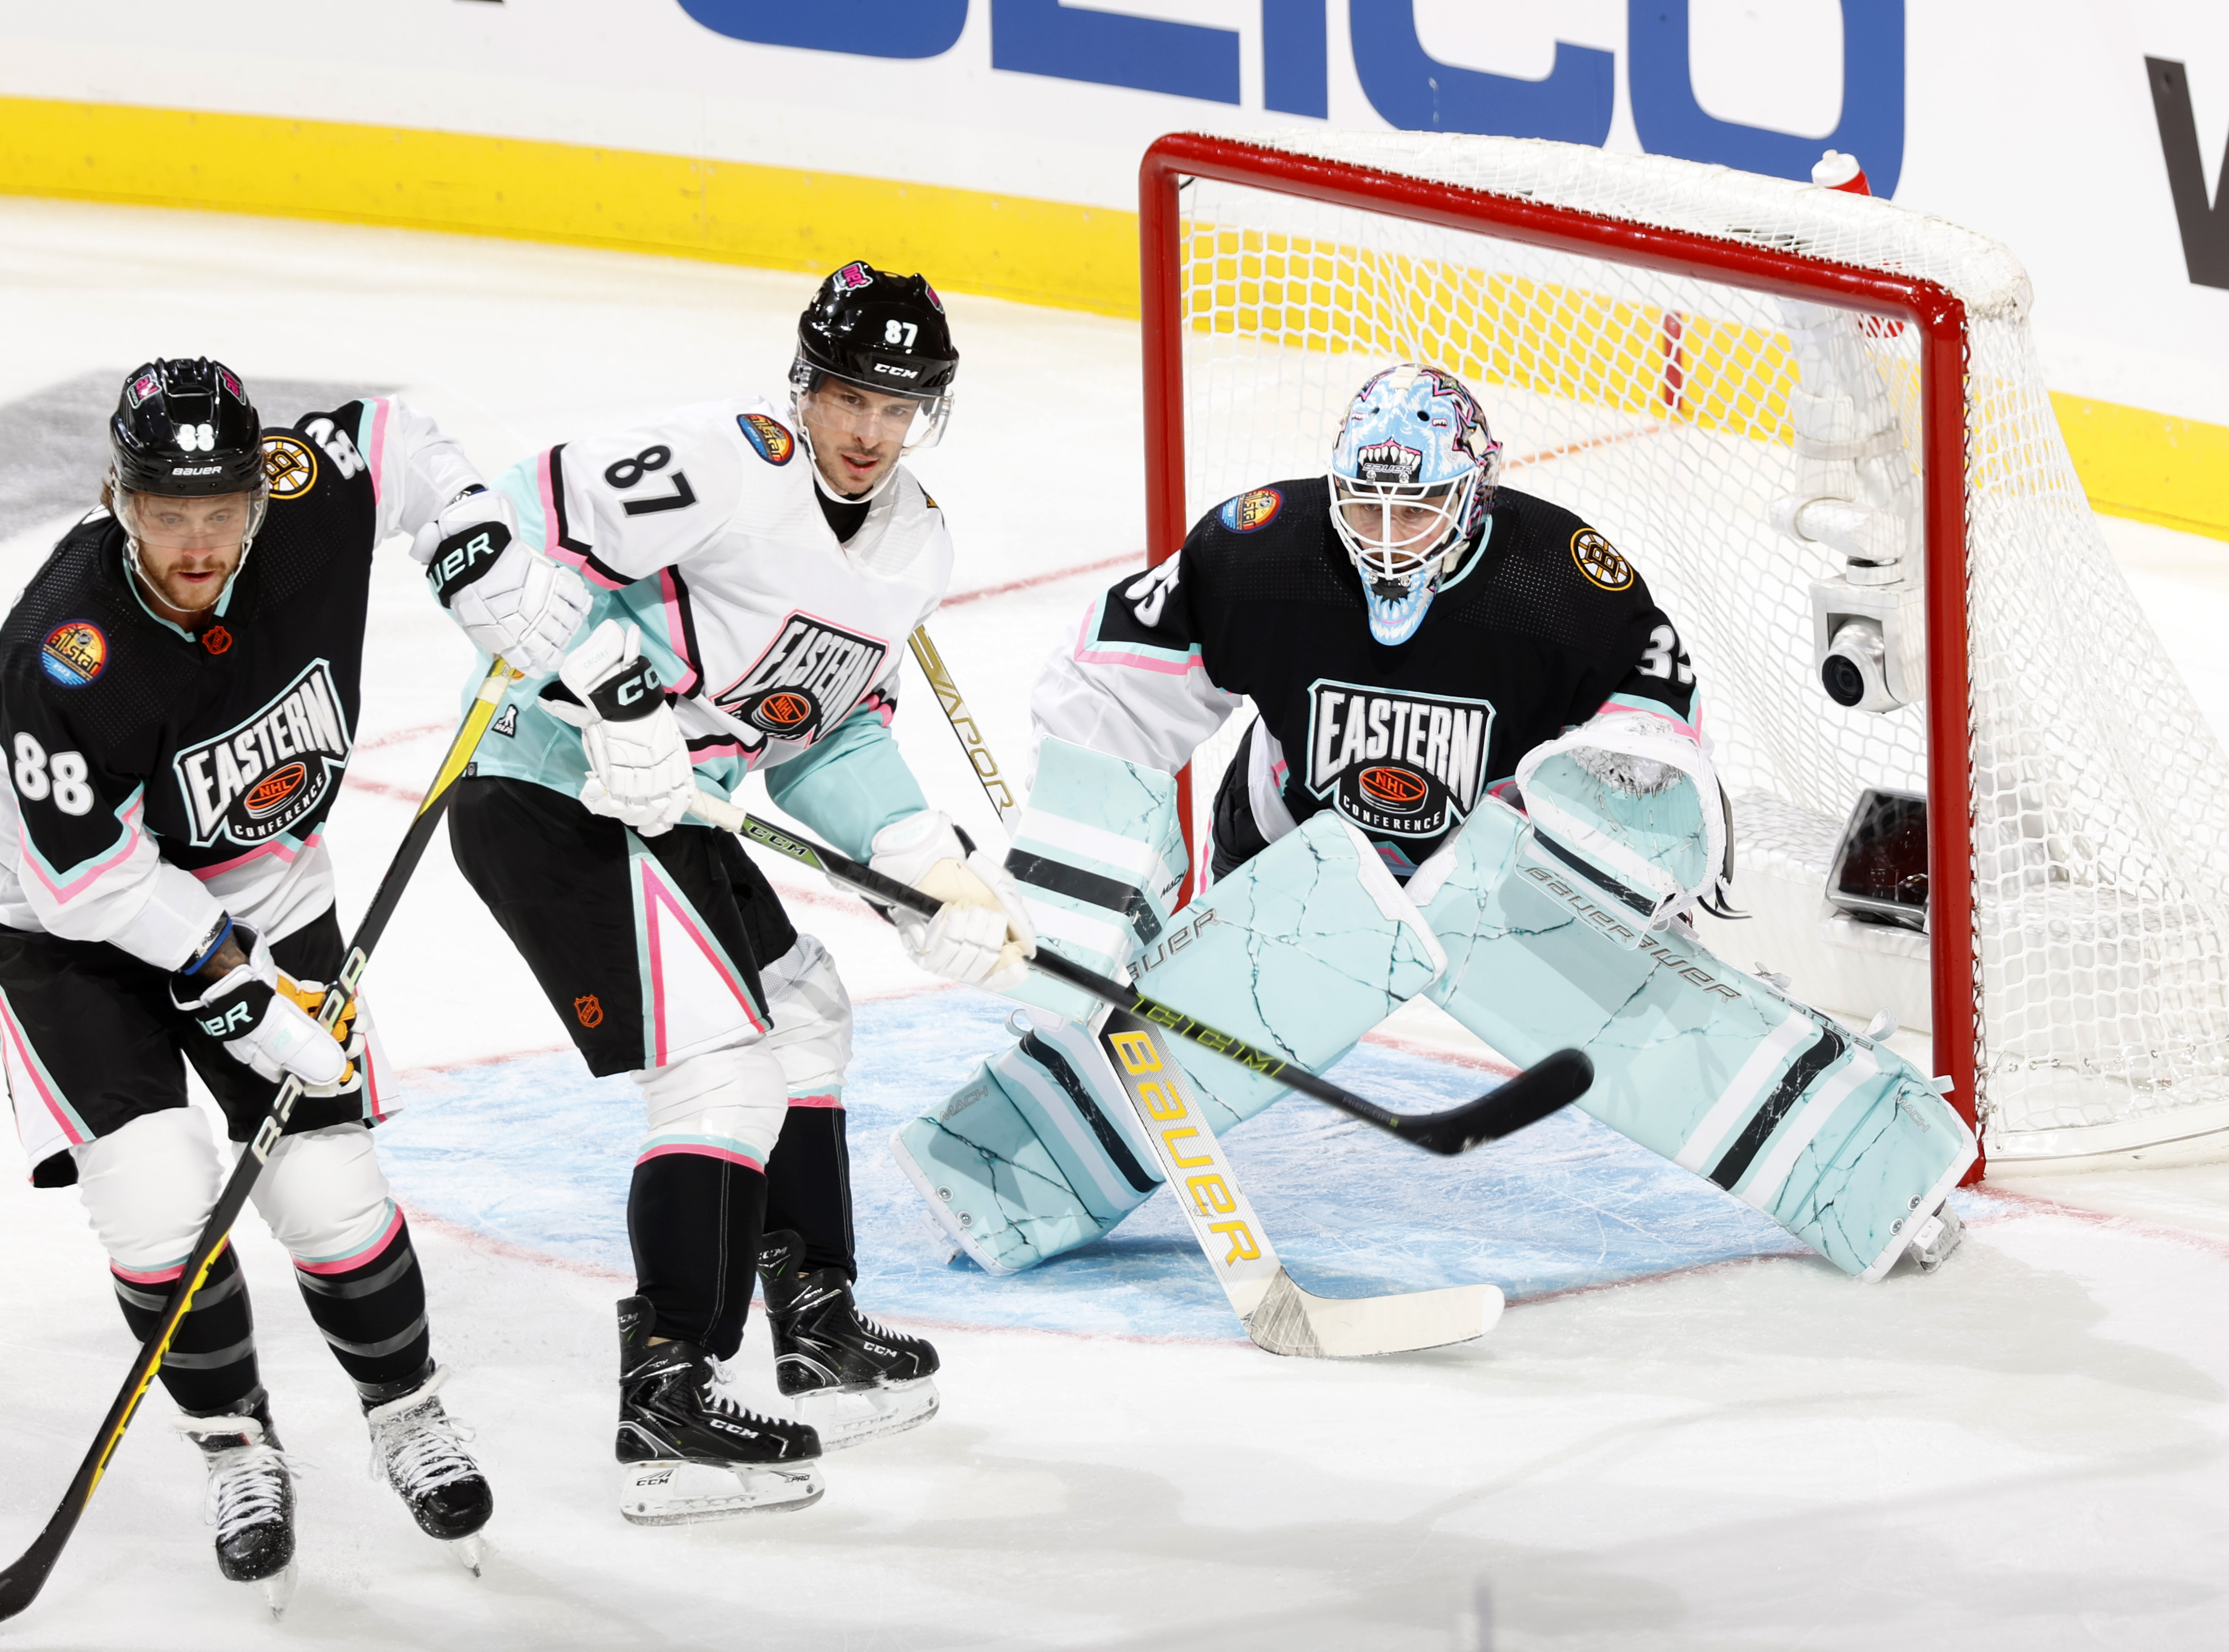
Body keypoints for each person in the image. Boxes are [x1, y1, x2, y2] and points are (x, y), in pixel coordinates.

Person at [894, 362, 1976, 1290]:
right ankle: (1001, 1170)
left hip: (1486, 868)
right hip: (1286, 849)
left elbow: (1655, 749)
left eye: (1414, 513)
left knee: (1639, 1005)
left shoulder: (1562, 586)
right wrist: (1087, 907)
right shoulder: (1258, 552)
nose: (1384, 540)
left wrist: (1597, 885)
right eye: (1363, 512)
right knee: (1172, 1015)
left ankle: (1869, 1163)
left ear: (1475, 494)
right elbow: (1112, 696)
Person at [426, 261, 1034, 1525]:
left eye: (900, 405)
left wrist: (924, 864)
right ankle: (669, 1388)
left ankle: (811, 1319)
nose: (870, 432)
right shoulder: (720, 462)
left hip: (680, 814)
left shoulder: (914, 539)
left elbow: (828, 731)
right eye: (851, 397)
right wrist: (605, 692)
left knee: (805, 1013)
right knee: (718, 1070)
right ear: (805, 384)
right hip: (545, 792)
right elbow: (502, 544)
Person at [0, 360, 510, 1606]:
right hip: (66, 922)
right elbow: (82, 877)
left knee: (328, 1188)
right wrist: (230, 985)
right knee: (158, 1204)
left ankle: (407, 1414)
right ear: (118, 498)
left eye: (219, 510)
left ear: (255, 496)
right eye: (165, 512)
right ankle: (236, 1442)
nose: (195, 542)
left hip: (265, 884)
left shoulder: (304, 499)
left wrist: (483, 558)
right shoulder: (60, 654)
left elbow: (396, 431)